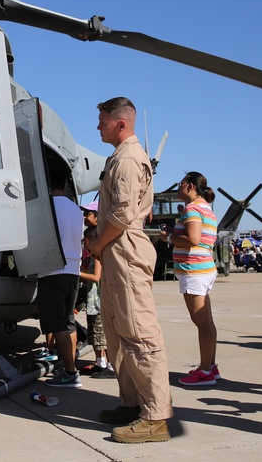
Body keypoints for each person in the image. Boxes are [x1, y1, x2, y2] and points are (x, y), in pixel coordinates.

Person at [87, 97, 173, 444]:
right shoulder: (121, 157)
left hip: (123, 248)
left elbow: (122, 215)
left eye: (103, 121)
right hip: (116, 249)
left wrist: (96, 245)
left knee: (139, 331)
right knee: (117, 330)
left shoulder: (127, 159)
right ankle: (132, 402)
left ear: (120, 123)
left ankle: (155, 417)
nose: (98, 127)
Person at [161, 171, 220, 386]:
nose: (178, 187)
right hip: (203, 268)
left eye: (181, 183)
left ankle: (205, 371)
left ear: (190, 186)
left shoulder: (193, 208)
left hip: (194, 270)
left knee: (201, 322)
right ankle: (210, 366)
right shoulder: (206, 208)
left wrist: (168, 237)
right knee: (207, 321)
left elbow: (193, 239)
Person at [37, 165, 84, 388]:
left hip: (52, 269)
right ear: (65, 185)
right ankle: (70, 366)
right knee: (69, 322)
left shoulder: (44, 208)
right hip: (73, 271)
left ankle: (70, 372)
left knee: (59, 325)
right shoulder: (76, 210)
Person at [78, 224, 113, 378]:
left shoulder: (98, 257)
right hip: (93, 304)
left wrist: (76, 272)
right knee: (95, 336)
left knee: (100, 336)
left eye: (85, 240)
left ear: (92, 240)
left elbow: (96, 277)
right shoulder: (92, 258)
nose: (84, 244)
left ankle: (108, 366)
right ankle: (100, 363)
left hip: (98, 304)